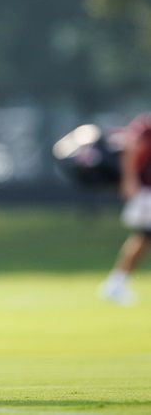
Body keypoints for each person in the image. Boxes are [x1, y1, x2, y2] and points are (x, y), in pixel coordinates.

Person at [100, 113, 151, 305]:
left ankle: (117, 282)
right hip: (147, 190)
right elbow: (131, 150)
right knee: (144, 236)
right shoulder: (147, 126)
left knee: (143, 238)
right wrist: (130, 181)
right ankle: (117, 282)